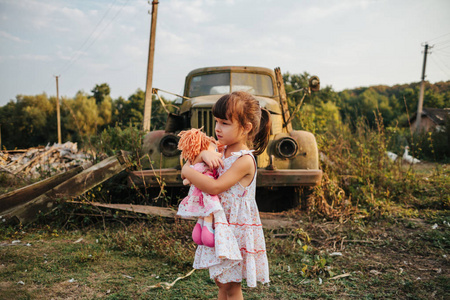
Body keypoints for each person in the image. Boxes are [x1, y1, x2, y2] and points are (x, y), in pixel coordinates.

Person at [181, 91, 271, 300]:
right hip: (220, 225)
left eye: (225, 123)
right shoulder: (220, 150)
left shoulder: (245, 160)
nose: (217, 128)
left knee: (232, 286)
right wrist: (203, 153)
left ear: (246, 128)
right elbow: (190, 155)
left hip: (235, 230)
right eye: (216, 122)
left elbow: (214, 187)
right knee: (222, 284)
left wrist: (187, 172)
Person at [176, 128, 223, 247]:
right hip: (208, 192)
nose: (217, 128)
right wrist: (202, 155)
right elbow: (185, 172)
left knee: (204, 214)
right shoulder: (207, 157)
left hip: (201, 189)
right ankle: (206, 233)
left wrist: (201, 156)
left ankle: (199, 230)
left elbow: (187, 172)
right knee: (208, 213)